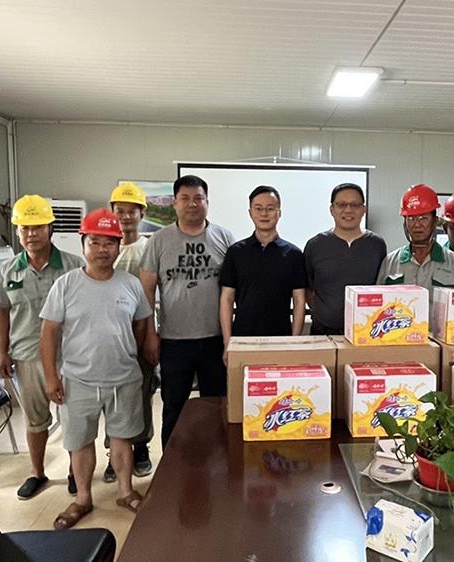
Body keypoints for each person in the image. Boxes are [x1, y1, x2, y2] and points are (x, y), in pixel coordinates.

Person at [40, 209, 153, 528]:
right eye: (95, 242)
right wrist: (51, 377)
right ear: (83, 244)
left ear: (119, 246)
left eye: (110, 243)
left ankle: (126, 491)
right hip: (78, 380)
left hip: (124, 379)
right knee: (80, 442)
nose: (103, 249)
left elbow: (142, 322)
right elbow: (49, 331)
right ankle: (82, 498)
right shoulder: (66, 285)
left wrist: (127, 351)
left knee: (122, 438)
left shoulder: (130, 284)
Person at [0, 194, 83, 500]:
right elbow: (2, 311)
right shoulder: (9, 270)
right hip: (27, 356)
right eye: (25, 228)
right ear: (17, 231)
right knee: (34, 419)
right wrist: (2, 351)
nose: (31, 233)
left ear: (50, 228)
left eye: (37, 227)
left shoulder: (73, 265)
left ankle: (75, 471)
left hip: (69, 355)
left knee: (73, 418)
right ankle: (37, 473)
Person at [139, 175, 236, 448]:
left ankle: (216, 461)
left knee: (216, 406)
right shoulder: (158, 240)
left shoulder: (225, 238)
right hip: (174, 341)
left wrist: (230, 340)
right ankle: (172, 465)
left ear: (207, 202)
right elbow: (147, 292)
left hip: (215, 339)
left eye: (198, 198)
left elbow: (233, 290)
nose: (192, 204)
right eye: (185, 198)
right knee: (173, 407)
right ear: (175, 203)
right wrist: (150, 335)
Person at [101, 182, 156, 483]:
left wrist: (150, 336)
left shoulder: (149, 248)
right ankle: (115, 452)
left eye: (131, 211)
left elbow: (153, 296)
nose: (124, 217)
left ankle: (141, 447)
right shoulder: (103, 247)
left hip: (140, 330)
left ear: (141, 214)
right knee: (111, 396)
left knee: (141, 392)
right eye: (119, 211)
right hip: (109, 337)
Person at [219, 185, 306, 347]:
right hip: (242, 339)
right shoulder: (236, 252)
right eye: (258, 208)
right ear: (250, 212)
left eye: (270, 208)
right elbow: (227, 298)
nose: (264, 214)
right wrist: (227, 342)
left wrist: (294, 342)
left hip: (281, 339)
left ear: (279, 212)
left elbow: (299, 300)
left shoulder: (293, 254)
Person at [303, 183, 387, 335]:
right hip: (323, 332)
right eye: (341, 205)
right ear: (332, 209)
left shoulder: (377, 244)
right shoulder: (315, 245)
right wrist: (323, 313)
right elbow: (308, 289)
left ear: (364, 209)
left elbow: (381, 287)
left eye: (355, 205)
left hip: (367, 332)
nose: (348, 210)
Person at [376, 184, 454, 300]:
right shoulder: (390, 262)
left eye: (423, 218)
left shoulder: (452, 262)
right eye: (411, 218)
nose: (417, 225)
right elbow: (378, 303)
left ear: (434, 221)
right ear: (405, 223)